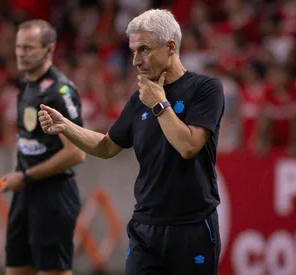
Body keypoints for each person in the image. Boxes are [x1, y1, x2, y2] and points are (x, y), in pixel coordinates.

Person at [38, 9, 225, 275]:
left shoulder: (206, 89)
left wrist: (159, 104)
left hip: (192, 227)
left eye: (144, 50)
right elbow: (106, 146)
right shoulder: (140, 99)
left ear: (171, 47)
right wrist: (66, 126)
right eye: (133, 51)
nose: (136, 60)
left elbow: (188, 146)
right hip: (145, 229)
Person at [0, 19, 86, 275]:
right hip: (24, 195)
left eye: (29, 48)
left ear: (50, 49)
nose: (21, 54)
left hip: (53, 196)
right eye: (18, 47)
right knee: (15, 268)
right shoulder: (25, 87)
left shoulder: (60, 91)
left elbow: (76, 153)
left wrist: (24, 176)